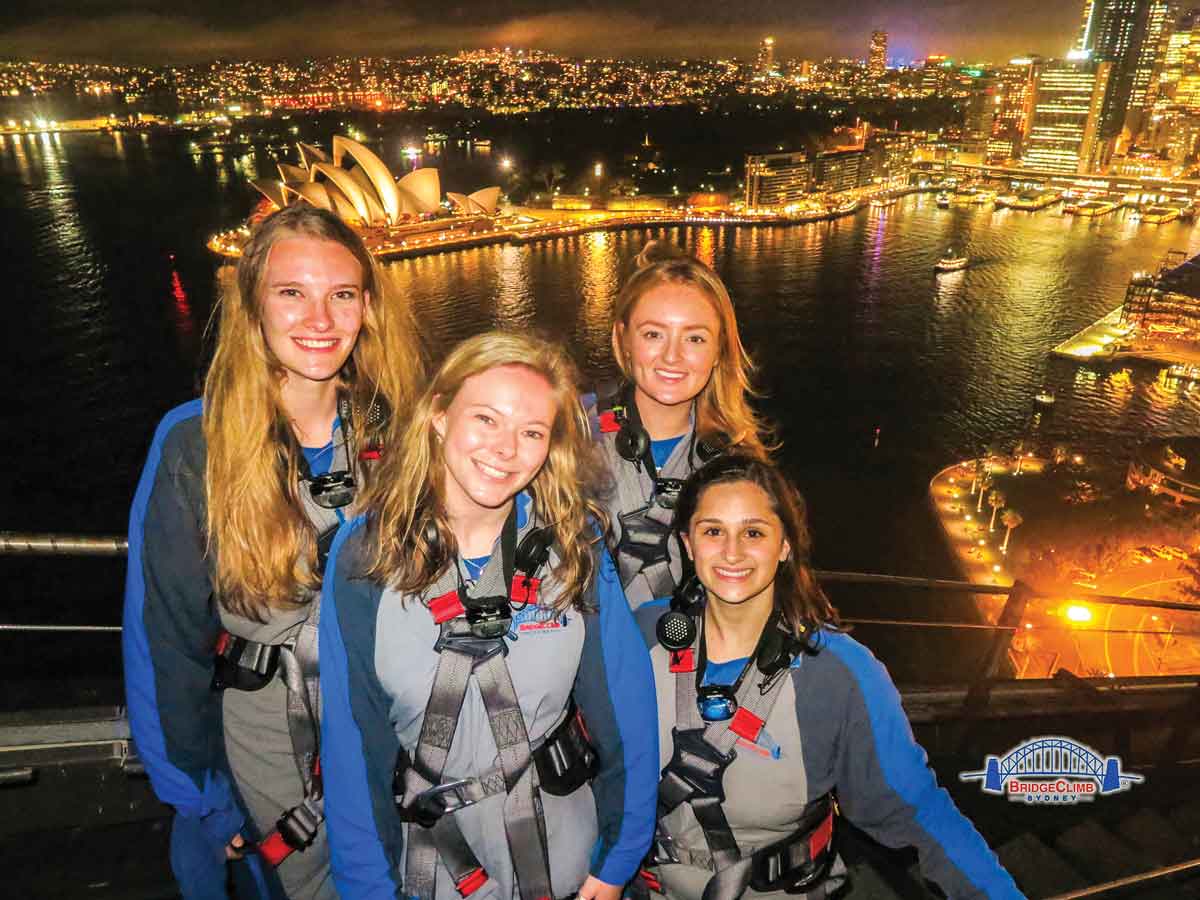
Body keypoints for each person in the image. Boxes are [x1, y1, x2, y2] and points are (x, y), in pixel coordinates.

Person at [122, 204, 423, 900]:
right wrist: (197, 793)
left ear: (367, 308)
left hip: (388, 719)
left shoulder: (401, 429)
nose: (320, 319)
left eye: (341, 295)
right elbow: (162, 633)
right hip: (267, 734)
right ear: (254, 307)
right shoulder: (196, 444)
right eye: (292, 293)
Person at [319, 331, 659, 900]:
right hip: (434, 865)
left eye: (531, 432)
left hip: (564, 856)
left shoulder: (575, 546)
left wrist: (617, 862)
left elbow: (624, 710)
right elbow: (354, 745)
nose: (506, 449)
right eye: (486, 419)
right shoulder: (364, 556)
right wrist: (367, 888)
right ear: (439, 416)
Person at [635, 454, 1022, 900]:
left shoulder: (839, 673)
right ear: (687, 544)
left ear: (784, 547)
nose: (733, 551)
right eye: (713, 531)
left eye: (754, 532)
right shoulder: (644, 634)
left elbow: (918, 809)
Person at [591, 241, 771, 611]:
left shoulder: (740, 466)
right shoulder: (568, 437)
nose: (672, 356)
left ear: (719, 349)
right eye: (653, 334)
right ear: (623, 338)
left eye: (694, 338)